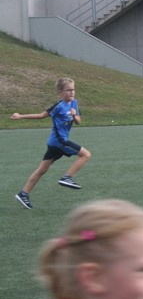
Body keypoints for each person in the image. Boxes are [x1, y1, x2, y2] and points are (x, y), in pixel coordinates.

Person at [12, 77, 92, 210]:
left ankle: (23, 194)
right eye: (68, 90)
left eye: (73, 89)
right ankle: (67, 177)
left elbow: (78, 121)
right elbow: (41, 115)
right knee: (86, 154)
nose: (72, 92)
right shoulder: (58, 106)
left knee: (42, 170)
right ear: (60, 93)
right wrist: (20, 116)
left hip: (55, 143)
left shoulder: (74, 103)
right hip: (59, 141)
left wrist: (74, 115)